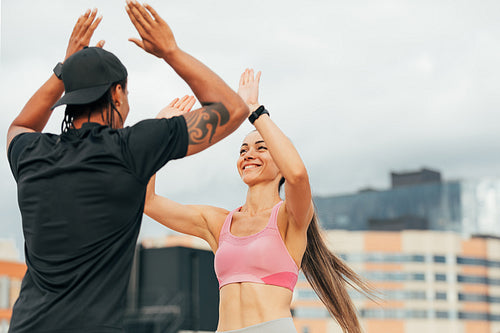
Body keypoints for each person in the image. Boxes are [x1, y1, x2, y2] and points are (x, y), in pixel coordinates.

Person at [6, 2, 248, 332]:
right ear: (117, 94)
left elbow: (19, 126)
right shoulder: (132, 149)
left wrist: (65, 69)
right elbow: (233, 109)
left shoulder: (31, 154)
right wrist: (170, 51)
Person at [145, 69, 373, 333]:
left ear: (280, 163)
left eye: (261, 147)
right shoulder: (219, 223)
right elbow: (148, 201)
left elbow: (298, 175)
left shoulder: (291, 218)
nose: (249, 154)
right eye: (243, 150)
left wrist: (254, 111)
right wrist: (158, 132)